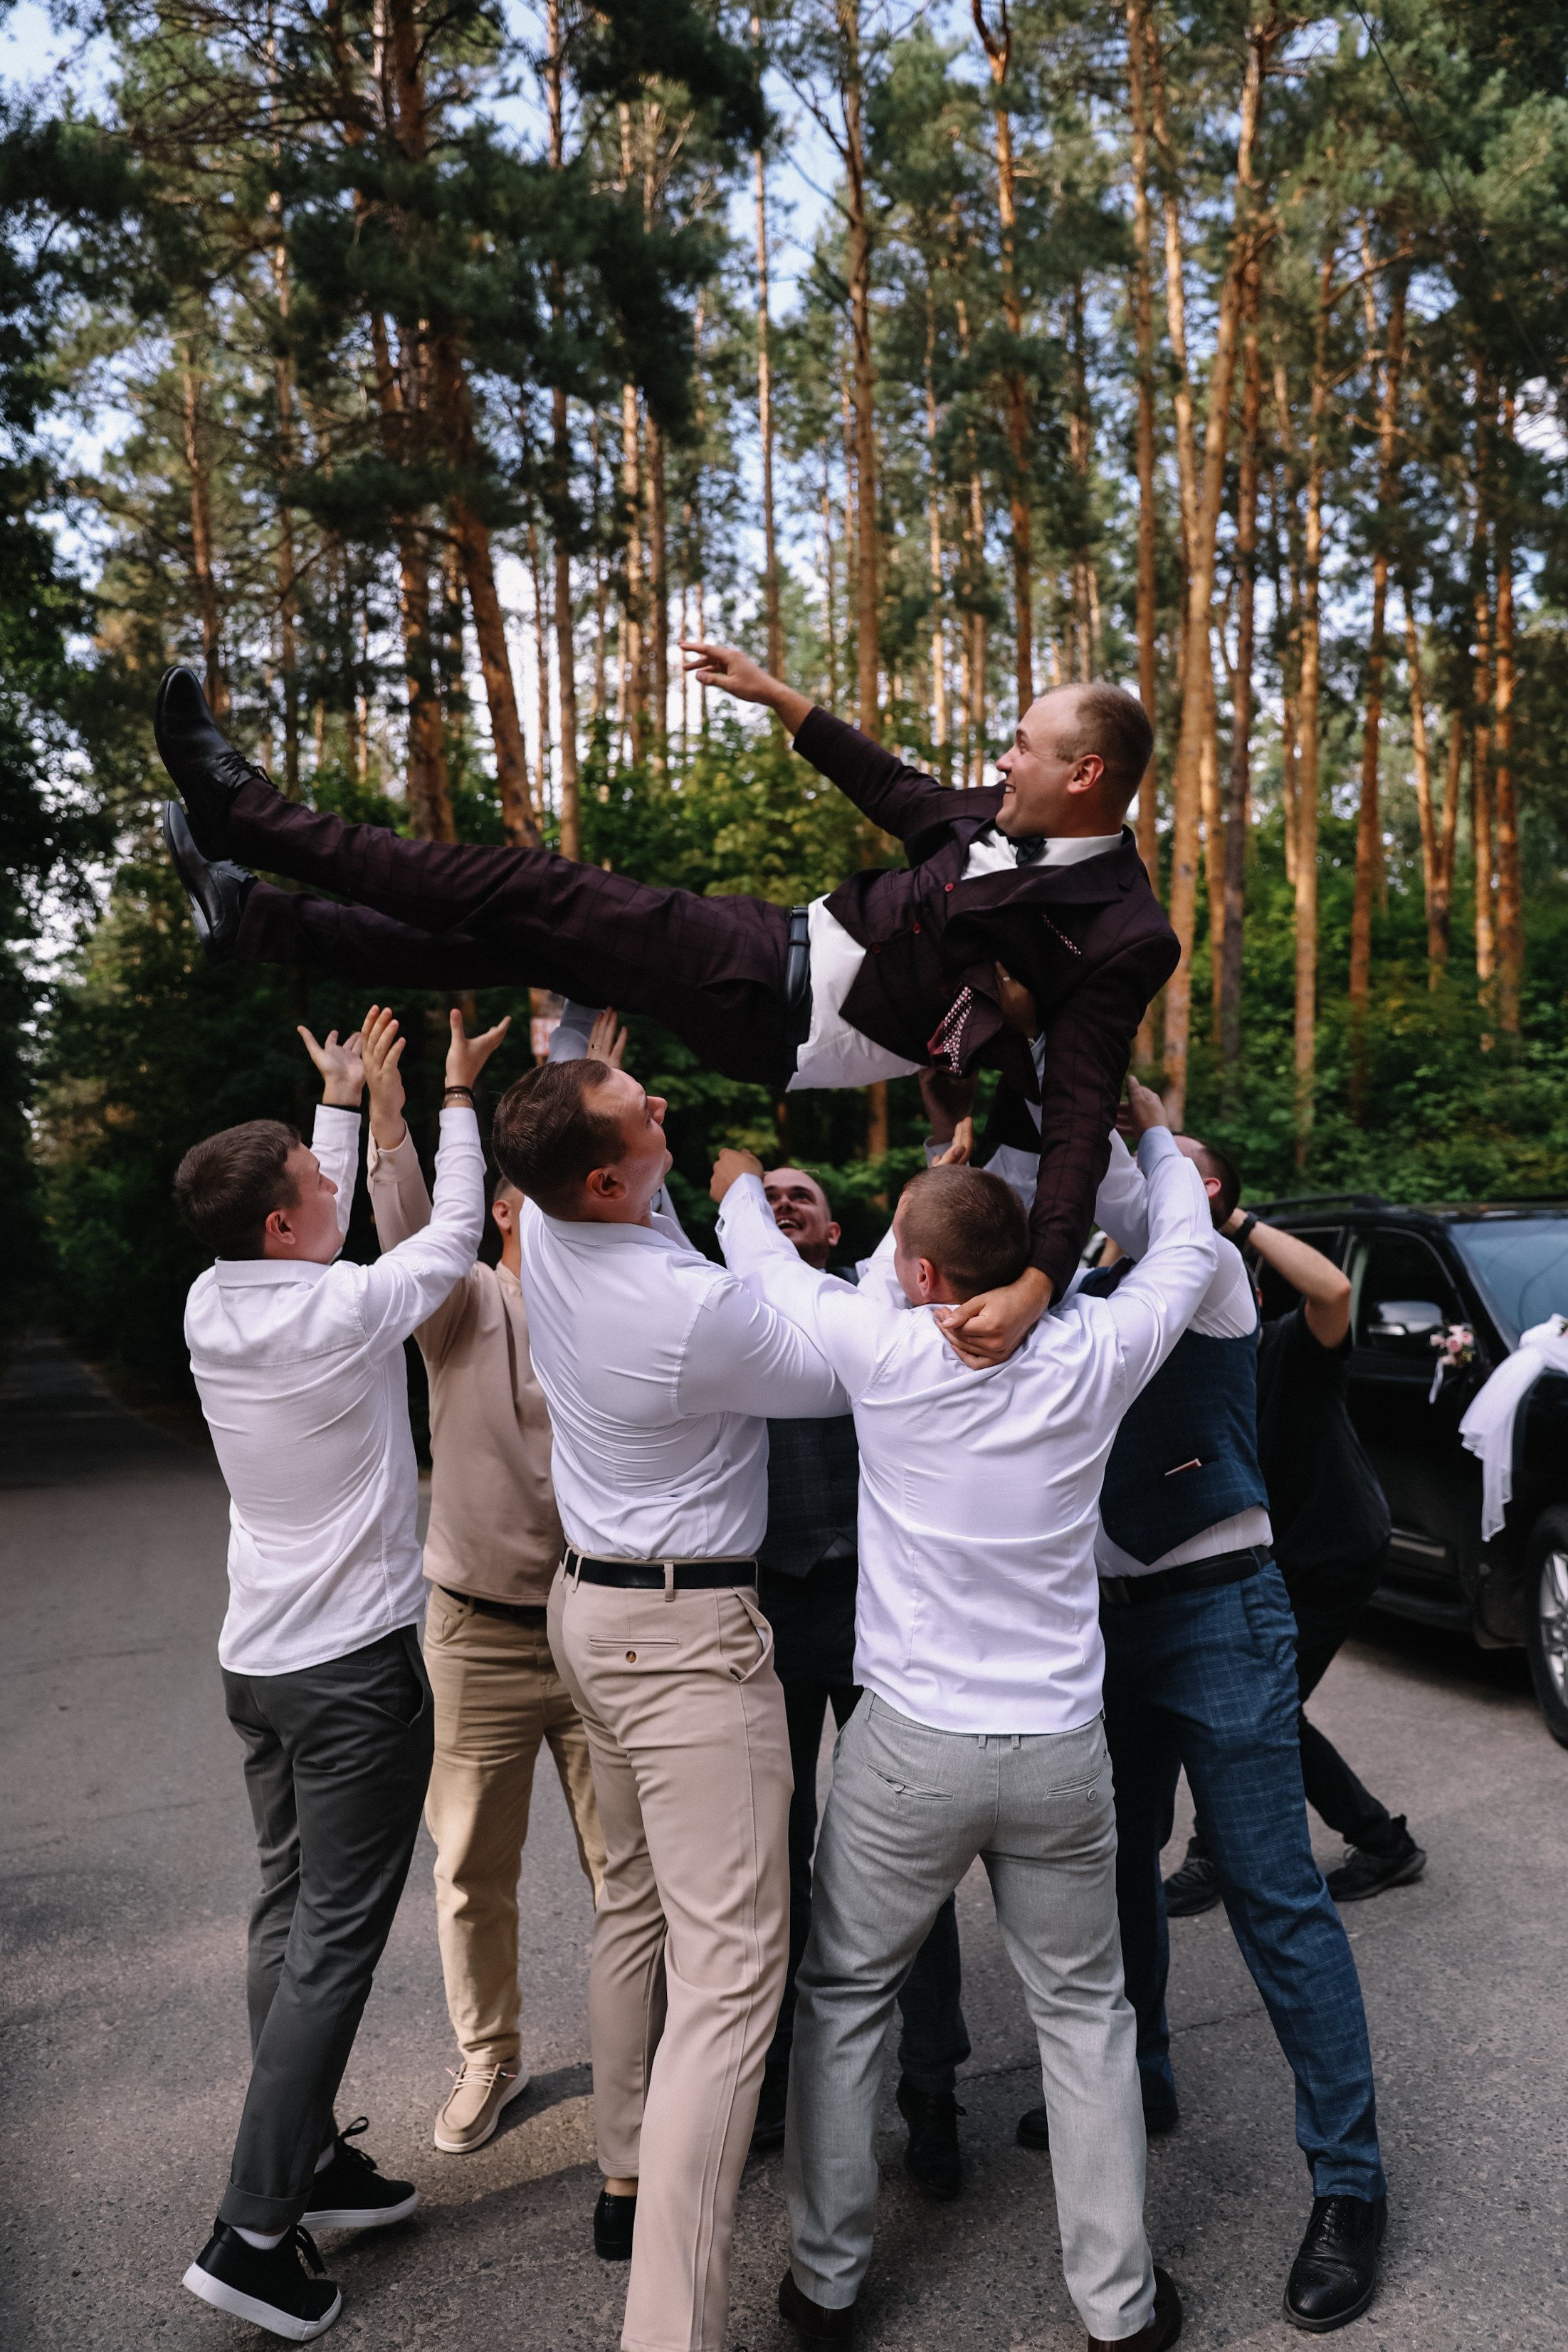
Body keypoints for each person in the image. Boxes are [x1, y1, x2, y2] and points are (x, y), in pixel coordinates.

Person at [154, 636, 1176, 1367]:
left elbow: (1079, 1119)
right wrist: (778, 697)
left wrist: (1040, 1281)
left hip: (781, 1007)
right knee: (510, 928)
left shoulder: (1121, 932)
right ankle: (255, 920)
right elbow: (899, 792)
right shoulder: (997, 813)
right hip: (771, 941)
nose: (1001, 759)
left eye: (1022, 746)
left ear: (1083, 774)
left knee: (531, 889)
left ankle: (247, 813)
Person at [710, 1077, 1218, 2352]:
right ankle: (1119, 2306)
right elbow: (1192, 1245)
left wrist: (729, 1175)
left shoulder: (881, 1348)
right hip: (1056, 1746)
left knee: (840, 2001)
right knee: (1083, 2014)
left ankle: (823, 2288)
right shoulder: (1092, 1344)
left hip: (908, 1752)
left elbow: (762, 1261)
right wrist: (1147, 1130)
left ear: (921, 1270)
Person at [484, 1052, 846, 2352]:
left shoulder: (552, 1232)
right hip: (686, 1642)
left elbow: (632, 1189)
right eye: (646, 1112)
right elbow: (826, 1360)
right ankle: (668, 2330)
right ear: (601, 1173)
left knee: (632, 1897)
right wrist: (749, 1200)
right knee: (736, 1975)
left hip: (590, 1608)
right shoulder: (684, 1301)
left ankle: (623, 2157)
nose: (669, 1114)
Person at [1014, 1123, 1390, 2336]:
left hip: (1222, 1610)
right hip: (1098, 1630)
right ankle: (1147, 2076)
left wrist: (1100, 1072)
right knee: (1114, 1875)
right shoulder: (1070, 1297)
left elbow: (1119, 1167)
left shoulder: (1209, 1274)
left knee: (1275, 1896)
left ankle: (1348, 2183)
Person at [174, 1004, 495, 2343]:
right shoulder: (340, 1307)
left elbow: (319, 1229)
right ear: (284, 1228)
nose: (332, 1194)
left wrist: (344, 1106)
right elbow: (452, 1239)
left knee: (285, 1910)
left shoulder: (215, 1295)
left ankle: (306, 2161)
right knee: (332, 1944)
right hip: (351, 1671)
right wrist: (459, 1100)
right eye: (317, 1186)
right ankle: (252, 2229)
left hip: (256, 1658)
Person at [364, 1015, 621, 2156]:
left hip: (600, 1622)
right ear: (503, 1209)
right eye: (515, 1198)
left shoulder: (616, 1306)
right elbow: (410, 1225)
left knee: (624, 1859)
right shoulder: (461, 1305)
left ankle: (645, 2052)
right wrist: (400, 1114)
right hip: (474, 1631)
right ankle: (489, 2057)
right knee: (470, 1867)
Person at [751, 1165, 971, 2199]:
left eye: (802, 1195)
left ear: (839, 1229)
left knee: (909, 1857)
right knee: (770, 1858)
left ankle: (930, 2089)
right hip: (765, 1613)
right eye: (770, 1194)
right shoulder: (736, 1312)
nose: (783, 1200)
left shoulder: (869, 1313)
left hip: (878, 1611)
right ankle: (770, 2085)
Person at [1162, 1210, 1423, 1919]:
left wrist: (1237, 1220)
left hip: (1335, 1549)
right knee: (1256, 1702)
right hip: (1275, 1557)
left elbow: (1334, 1289)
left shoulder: (1290, 1345)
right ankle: (1371, 1840)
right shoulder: (1187, 1370)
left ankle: (1364, 1843)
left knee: (1258, 1704)